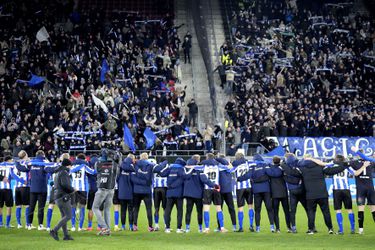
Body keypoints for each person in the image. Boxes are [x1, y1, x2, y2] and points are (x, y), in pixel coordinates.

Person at [282, 155, 348, 234]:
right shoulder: (321, 167)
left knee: (311, 212)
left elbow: (291, 172)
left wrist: (283, 164)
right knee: (326, 212)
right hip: (322, 194)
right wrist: (344, 165)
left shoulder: (303, 169)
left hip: (310, 195)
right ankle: (330, 228)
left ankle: (311, 229)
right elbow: (333, 170)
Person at [16, 150, 57, 230]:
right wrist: (58, 166)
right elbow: (51, 170)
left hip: (33, 189)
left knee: (31, 207)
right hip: (42, 189)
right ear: (43, 155)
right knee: (40, 208)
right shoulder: (44, 163)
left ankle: (29, 224)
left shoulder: (31, 163)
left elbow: (21, 168)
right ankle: (40, 225)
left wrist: (16, 163)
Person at [237, 154, 275, 233]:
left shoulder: (252, 167)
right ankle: (272, 226)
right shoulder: (265, 166)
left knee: (257, 210)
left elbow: (247, 175)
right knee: (269, 208)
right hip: (266, 190)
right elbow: (272, 174)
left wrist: (239, 179)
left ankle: (258, 227)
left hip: (257, 191)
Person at [157, 158, 192, 233]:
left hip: (169, 193)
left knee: (167, 210)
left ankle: (167, 228)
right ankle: (179, 228)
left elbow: (161, 173)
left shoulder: (169, 168)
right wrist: (192, 169)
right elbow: (186, 176)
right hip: (179, 193)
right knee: (179, 211)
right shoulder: (181, 169)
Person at [183, 154, 214, 233]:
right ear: (198, 160)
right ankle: (200, 228)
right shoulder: (200, 169)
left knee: (188, 211)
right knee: (199, 212)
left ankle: (187, 228)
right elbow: (205, 180)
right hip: (198, 194)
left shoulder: (186, 168)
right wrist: (214, 185)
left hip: (188, 193)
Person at [93, 150, 120, 236]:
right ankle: (107, 229)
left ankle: (104, 227)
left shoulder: (98, 164)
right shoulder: (115, 165)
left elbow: (96, 170)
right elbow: (117, 173)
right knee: (107, 209)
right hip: (111, 189)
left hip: (102, 188)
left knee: (95, 208)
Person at [200, 153, 227, 233]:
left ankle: (207, 228)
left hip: (207, 189)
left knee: (206, 209)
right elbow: (229, 167)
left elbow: (190, 166)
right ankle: (222, 228)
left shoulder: (203, 166)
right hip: (216, 189)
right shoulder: (218, 166)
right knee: (219, 209)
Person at [49, 158, 75, 241]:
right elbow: (65, 185)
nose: (71, 167)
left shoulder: (58, 172)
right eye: (70, 166)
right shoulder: (64, 172)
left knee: (64, 216)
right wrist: (72, 189)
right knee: (69, 216)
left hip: (57, 196)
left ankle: (66, 235)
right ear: (68, 165)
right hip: (63, 196)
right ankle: (54, 230)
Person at [281, 153, 308, 233]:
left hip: (292, 191)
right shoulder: (299, 164)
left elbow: (285, 177)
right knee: (307, 209)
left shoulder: (284, 167)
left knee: (292, 211)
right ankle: (312, 226)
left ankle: (293, 227)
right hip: (301, 190)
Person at [349, 148, 374, 234]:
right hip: (370, 188)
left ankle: (360, 229)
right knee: (373, 209)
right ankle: (360, 229)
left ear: (357, 155)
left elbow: (354, 173)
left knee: (361, 209)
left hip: (360, 189)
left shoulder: (354, 163)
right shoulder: (371, 162)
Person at [70, 153, 96, 231]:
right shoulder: (84, 166)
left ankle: (73, 226)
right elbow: (93, 172)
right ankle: (80, 227)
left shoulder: (72, 166)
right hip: (82, 189)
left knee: (73, 208)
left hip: (74, 189)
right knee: (82, 208)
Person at [131, 153, 155, 231]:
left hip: (136, 190)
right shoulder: (150, 166)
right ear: (147, 158)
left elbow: (133, 178)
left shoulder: (135, 165)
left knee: (136, 208)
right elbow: (149, 179)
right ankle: (150, 227)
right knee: (149, 209)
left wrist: (139, 182)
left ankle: (135, 226)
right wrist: (144, 183)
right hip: (146, 190)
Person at [46, 153, 70, 232]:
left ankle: (48, 225)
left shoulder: (55, 166)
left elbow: (48, 171)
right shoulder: (65, 168)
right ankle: (60, 228)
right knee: (65, 211)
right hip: (61, 190)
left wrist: (52, 183)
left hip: (54, 188)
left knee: (51, 206)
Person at [232, 151, 255, 232]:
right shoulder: (248, 163)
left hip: (240, 188)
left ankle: (241, 227)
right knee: (250, 206)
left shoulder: (235, 164)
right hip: (248, 186)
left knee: (240, 208)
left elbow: (231, 171)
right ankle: (251, 225)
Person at [269, 156, 291, 233]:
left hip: (274, 194)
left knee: (275, 212)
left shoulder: (270, 169)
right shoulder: (282, 169)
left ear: (273, 161)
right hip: (283, 193)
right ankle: (289, 227)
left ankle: (277, 228)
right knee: (287, 211)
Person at [216, 155, 237, 232]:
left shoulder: (218, 168)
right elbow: (233, 169)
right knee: (231, 209)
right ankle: (234, 226)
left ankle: (219, 226)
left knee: (219, 209)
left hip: (220, 191)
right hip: (228, 190)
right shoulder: (229, 168)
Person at [118, 154, 137, 231]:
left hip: (122, 192)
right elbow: (134, 180)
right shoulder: (132, 168)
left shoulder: (121, 167)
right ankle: (131, 226)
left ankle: (123, 226)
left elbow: (117, 178)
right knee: (130, 210)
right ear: (132, 159)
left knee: (123, 209)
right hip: (130, 192)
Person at [12, 151, 31, 229]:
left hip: (17, 187)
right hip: (25, 187)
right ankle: (27, 224)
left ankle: (19, 224)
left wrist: (19, 180)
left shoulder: (15, 165)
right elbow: (28, 170)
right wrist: (23, 181)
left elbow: (12, 174)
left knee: (18, 206)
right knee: (27, 205)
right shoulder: (26, 164)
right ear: (25, 155)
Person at [151, 158, 168, 231]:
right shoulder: (167, 166)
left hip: (156, 189)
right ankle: (165, 225)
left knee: (156, 208)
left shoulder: (155, 166)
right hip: (164, 188)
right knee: (165, 208)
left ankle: (156, 225)